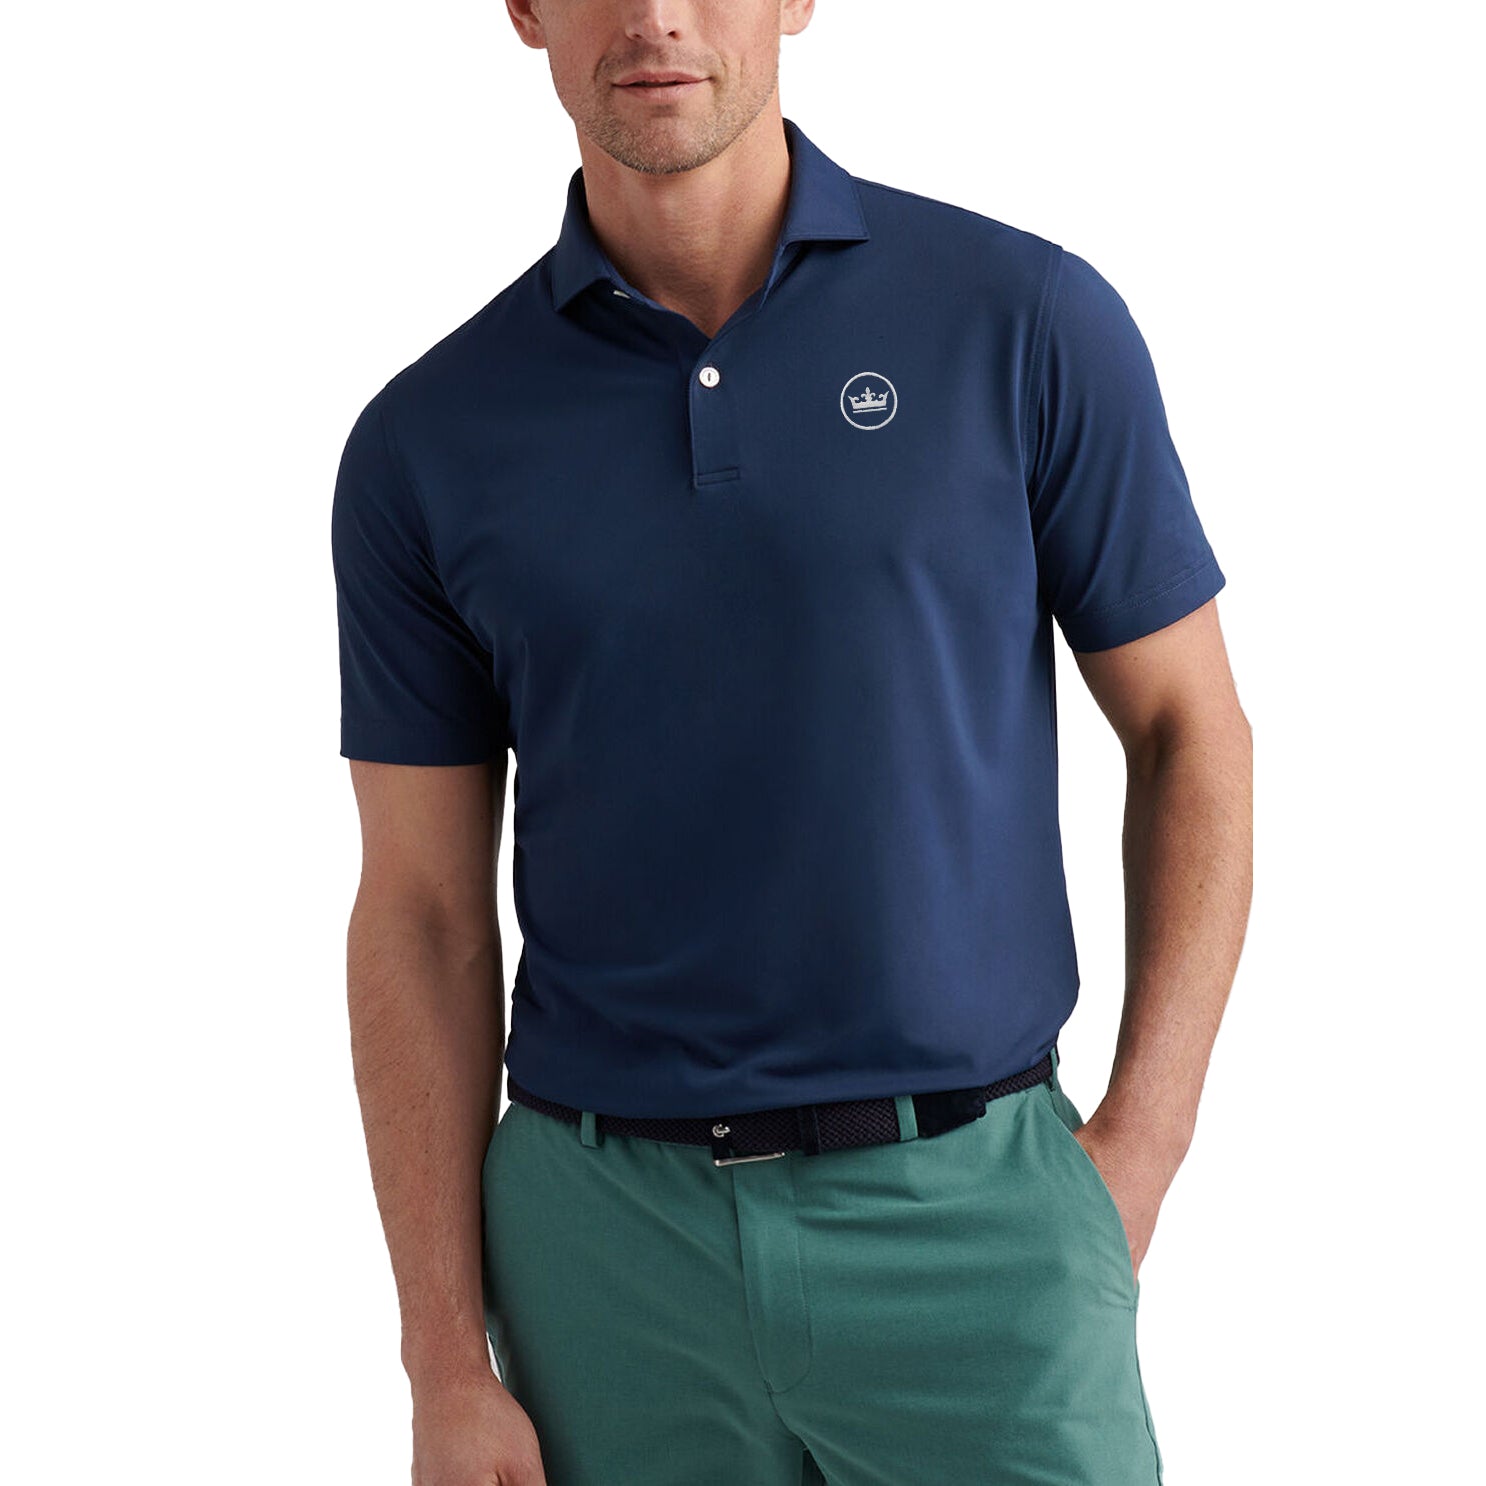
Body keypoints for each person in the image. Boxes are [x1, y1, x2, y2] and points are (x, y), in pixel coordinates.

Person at [330, 2, 1253, 1482]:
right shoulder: (426, 441)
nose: (655, 15)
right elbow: (423, 908)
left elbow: (1189, 728)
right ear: (523, 9)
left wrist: (1136, 1153)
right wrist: (442, 1356)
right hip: (602, 1259)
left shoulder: (1020, 320)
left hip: (976, 1227)